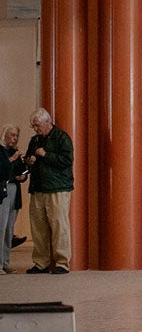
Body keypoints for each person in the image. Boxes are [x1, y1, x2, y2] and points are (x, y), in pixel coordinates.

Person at [23, 108, 73, 274]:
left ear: (47, 122)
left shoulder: (62, 137)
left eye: (37, 125)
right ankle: (41, 263)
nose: (36, 129)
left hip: (57, 188)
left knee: (59, 225)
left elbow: (67, 160)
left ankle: (62, 262)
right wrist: (29, 161)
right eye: (33, 126)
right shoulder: (35, 140)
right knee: (38, 227)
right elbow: (28, 160)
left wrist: (46, 155)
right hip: (38, 188)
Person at [1, 125, 22, 273]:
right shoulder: (0, 150)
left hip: (15, 189)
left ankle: (6, 262)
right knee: (1, 227)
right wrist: (12, 158)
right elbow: (2, 169)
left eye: (16, 136)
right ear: (5, 135)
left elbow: (20, 170)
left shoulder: (16, 151)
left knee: (9, 229)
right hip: (2, 191)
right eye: (12, 135)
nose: (14, 139)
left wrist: (24, 175)